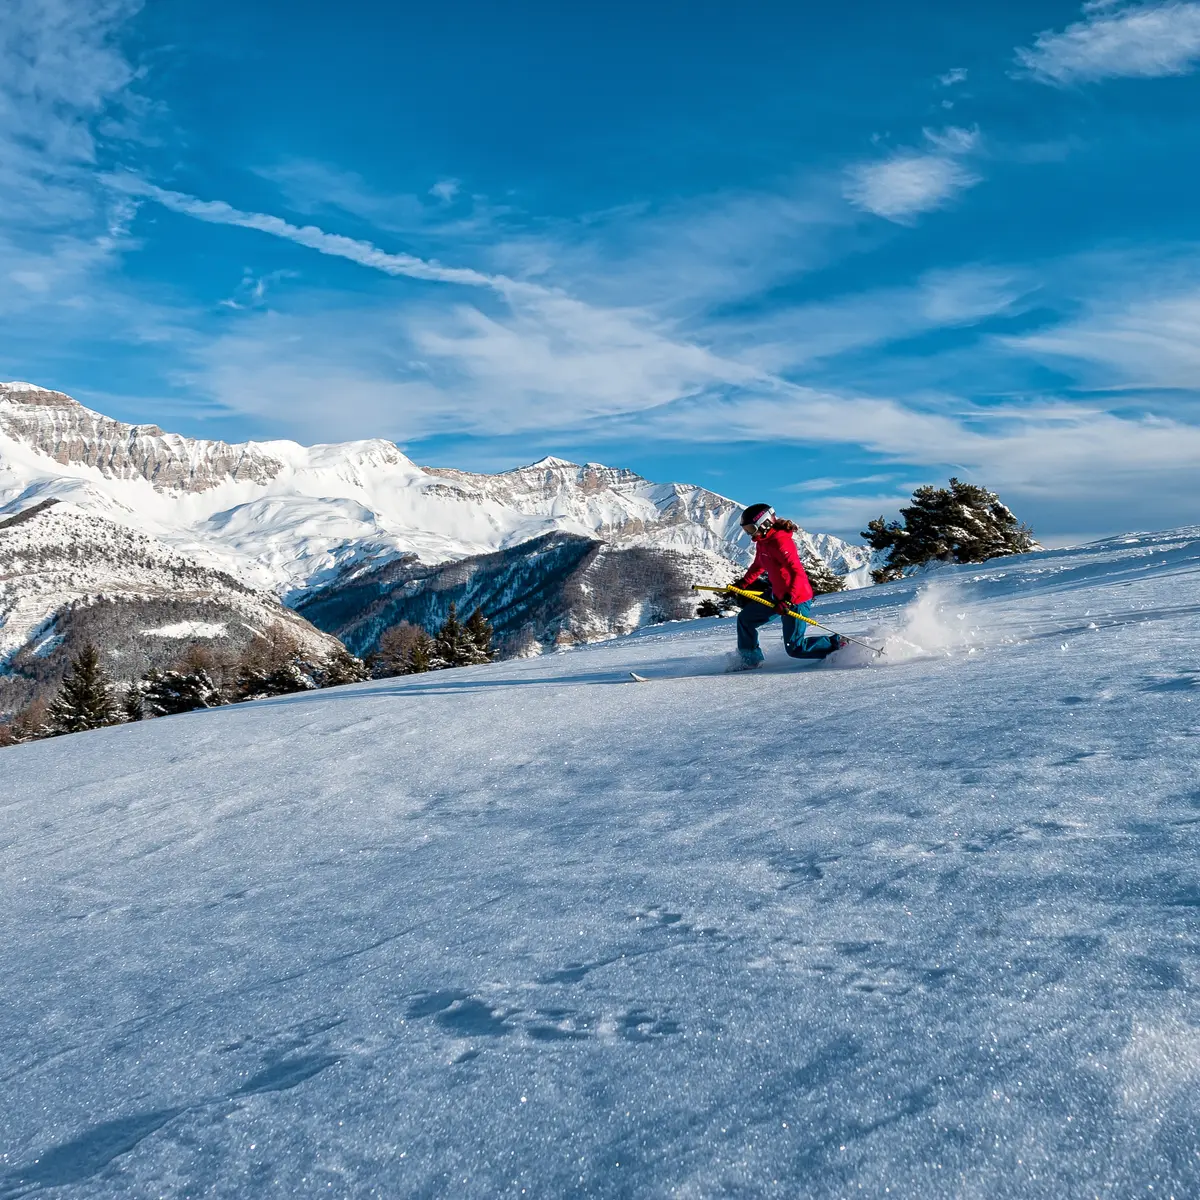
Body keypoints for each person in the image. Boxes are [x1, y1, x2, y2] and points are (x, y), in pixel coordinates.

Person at [729, 503, 843, 670]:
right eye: (746, 530)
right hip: (777, 595)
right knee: (745, 620)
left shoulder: (781, 543)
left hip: (795, 598)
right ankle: (750, 661)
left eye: (751, 528)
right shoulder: (762, 541)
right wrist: (743, 583)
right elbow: (759, 564)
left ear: (765, 523)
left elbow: (797, 573)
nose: (749, 534)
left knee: (796, 648)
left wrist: (789, 599)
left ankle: (838, 644)